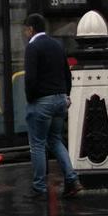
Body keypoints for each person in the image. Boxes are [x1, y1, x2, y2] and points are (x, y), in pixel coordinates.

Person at [22, 13, 81, 199]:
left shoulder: (32, 47)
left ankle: (39, 187)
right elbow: (67, 74)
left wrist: (31, 99)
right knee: (55, 140)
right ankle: (72, 179)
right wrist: (66, 95)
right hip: (60, 100)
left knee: (38, 144)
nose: (25, 34)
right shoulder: (57, 45)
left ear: (31, 29)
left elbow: (30, 78)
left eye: (25, 30)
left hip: (42, 101)